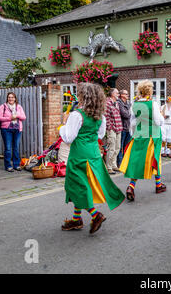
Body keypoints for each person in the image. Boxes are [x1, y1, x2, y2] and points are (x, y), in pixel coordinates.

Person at [59, 82, 125, 234]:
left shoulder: (77, 115)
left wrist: (63, 125)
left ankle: (95, 215)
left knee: (76, 186)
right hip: (94, 154)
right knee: (82, 186)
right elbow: (100, 135)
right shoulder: (100, 116)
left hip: (79, 155)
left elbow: (68, 138)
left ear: (84, 97)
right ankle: (76, 219)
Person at [120, 80, 166, 201]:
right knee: (155, 159)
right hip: (152, 135)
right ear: (149, 91)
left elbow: (133, 122)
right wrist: (161, 117)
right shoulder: (153, 104)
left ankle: (131, 186)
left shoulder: (134, 104)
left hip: (139, 135)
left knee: (137, 161)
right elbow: (158, 121)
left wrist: (135, 133)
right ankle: (158, 184)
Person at [0, 92, 26, 172]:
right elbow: (0, 118)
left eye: (12, 97)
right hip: (6, 130)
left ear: (15, 98)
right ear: (7, 98)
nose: (11, 99)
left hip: (17, 129)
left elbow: (24, 117)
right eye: (9, 97)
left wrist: (17, 116)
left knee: (16, 148)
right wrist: (10, 118)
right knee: (8, 148)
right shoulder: (3, 107)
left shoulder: (19, 107)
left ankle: (16, 165)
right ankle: (8, 166)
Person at [104, 88, 123, 174]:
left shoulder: (117, 103)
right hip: (112, 129)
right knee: (111, 148)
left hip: (119, 128)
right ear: (112, 94)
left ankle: (114, 165)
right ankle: (109, 167)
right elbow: (106, 116)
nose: (118, 94)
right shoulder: (107, 103)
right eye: (117, 93)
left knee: (117, 147)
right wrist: (109, 127)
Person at [117, 89, 131, 167]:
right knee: (120, 147)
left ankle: (126, 162)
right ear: (121, 95)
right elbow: (125, 114)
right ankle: (120, 163)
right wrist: (130, 113)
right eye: (126, 94)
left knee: (127, 147)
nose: (127, 95)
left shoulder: (128, 103)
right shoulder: (119, 103)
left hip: (128, 128)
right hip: (122, 128)